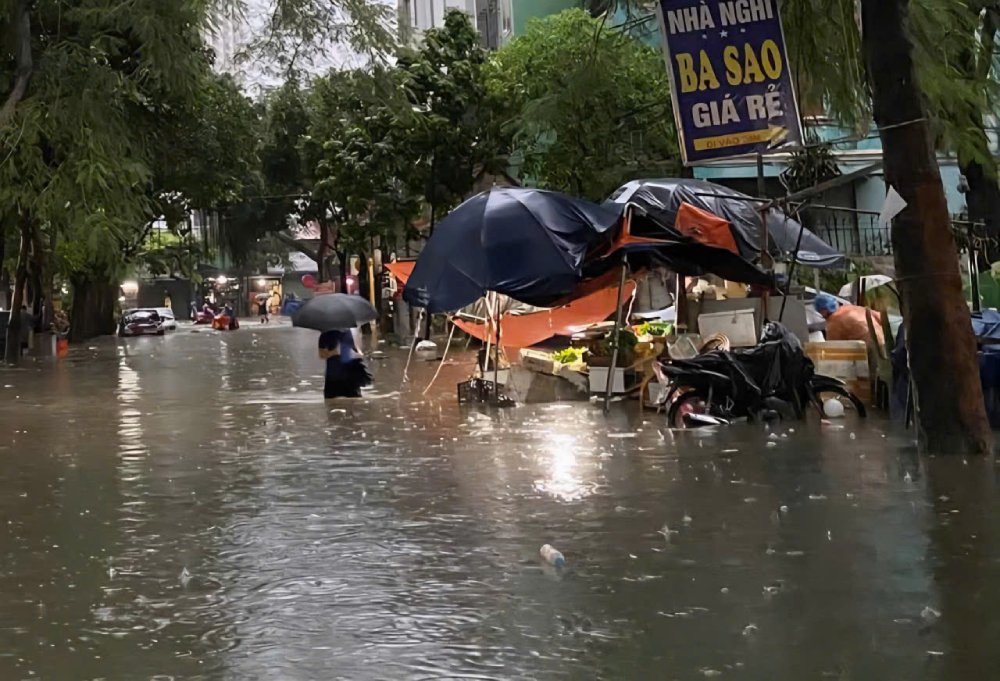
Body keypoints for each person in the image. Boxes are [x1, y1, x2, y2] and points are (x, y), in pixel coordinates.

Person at [318, 328, 372, 399]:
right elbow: (321, 354)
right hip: (334, 374)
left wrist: (360, 355)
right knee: (332, 402)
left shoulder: (348, 332)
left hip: (349, 373)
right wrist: (334, 352)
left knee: (353, 400)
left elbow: (355, 349)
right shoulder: (326, 334)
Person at [814, 293, 884, 346]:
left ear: (824, 311)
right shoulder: (852, 308)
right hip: (882, 340)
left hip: (868, 346)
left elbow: (833, 346)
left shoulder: (834, 322)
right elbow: (881, 317)